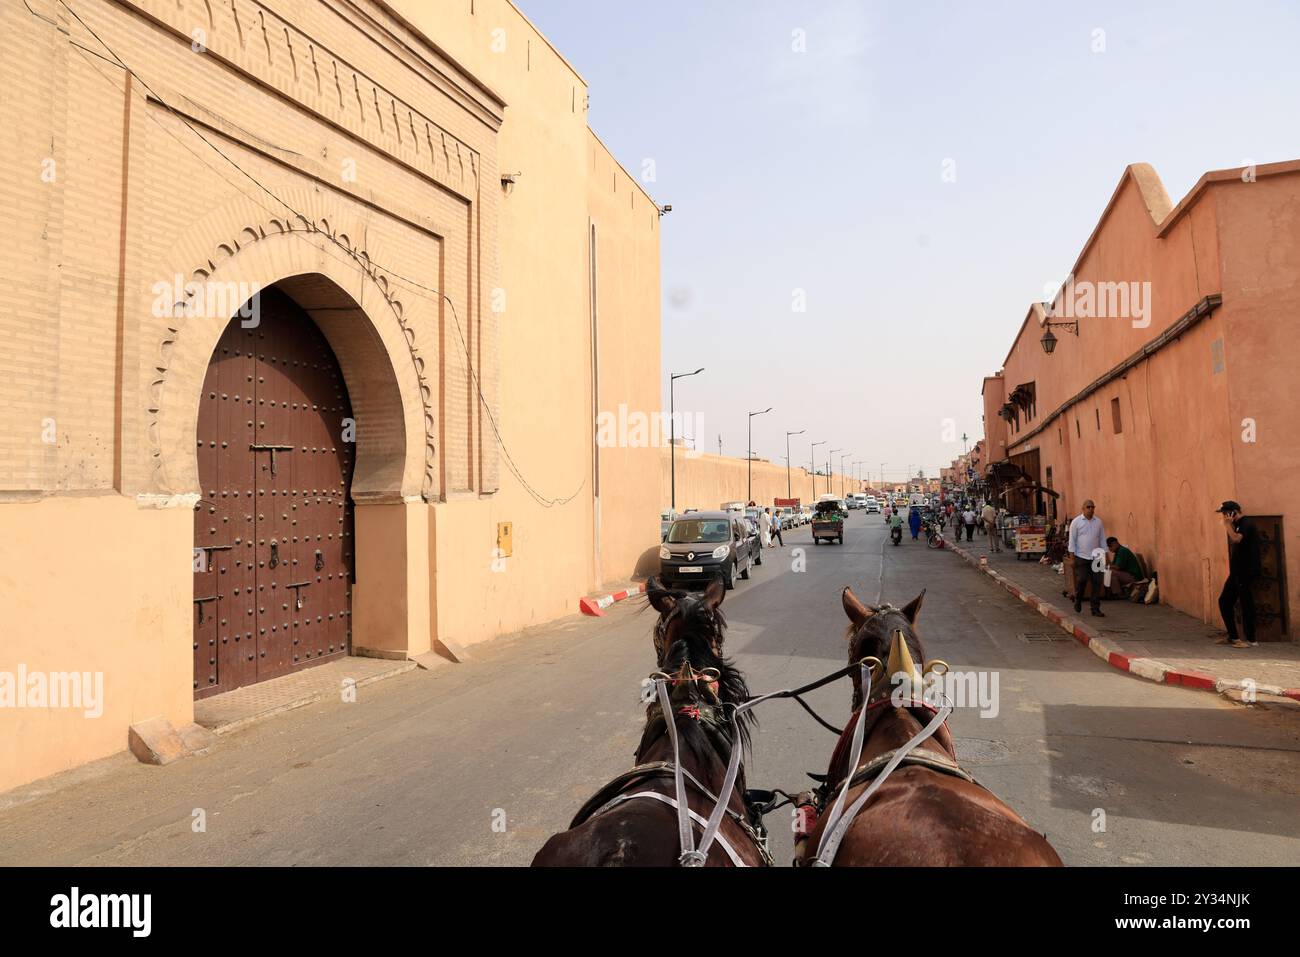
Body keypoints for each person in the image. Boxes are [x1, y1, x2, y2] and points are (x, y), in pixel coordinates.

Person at [1215, 501, 1261, 648]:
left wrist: (1227, 525)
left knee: (1246, 603)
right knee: (1224, 601)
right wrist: (1229, 525)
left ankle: (1251, 640)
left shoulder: (1246, 523)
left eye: (1225, 513)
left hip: (1245, 571)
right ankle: (1233, 637)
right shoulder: (1238, 524)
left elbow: (1236, 539)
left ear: (1233, 512)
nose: (1223, 516)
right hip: (1237, 571)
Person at [1068, 499, 1106, 617]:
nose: (1091, 509)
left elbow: (1102, 540)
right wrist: (1072, 558)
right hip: (1082, 556)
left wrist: (1105, 556)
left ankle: (1095, 608)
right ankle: (1078, 599)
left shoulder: (1098, 522)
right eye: (1088, 507)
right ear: (1083, 509)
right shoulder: (1076, 522)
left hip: (1097, 557)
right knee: (1082, 580)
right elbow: (1072, 541)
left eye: (1092, 507)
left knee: (1097, 582)